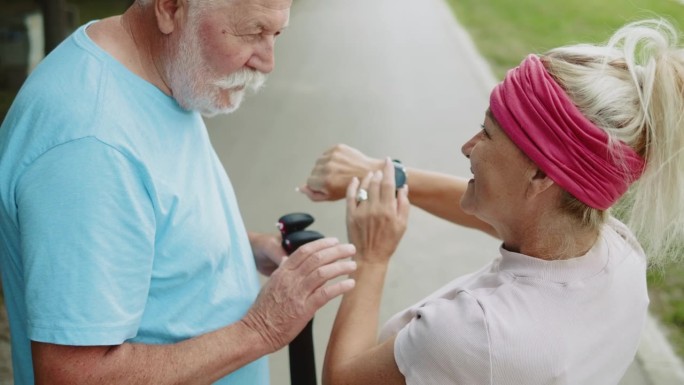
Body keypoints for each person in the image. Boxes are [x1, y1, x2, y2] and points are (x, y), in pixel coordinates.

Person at [302, 19, 684, 384]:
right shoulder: (620, 257)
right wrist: (386, 174)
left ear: (540, 175)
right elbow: (515, 215)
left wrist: (372, 256)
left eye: (487, 132)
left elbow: (343, 379)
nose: (467, 146)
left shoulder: (478, 333)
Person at [0, 0, 358, 384]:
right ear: (170, 8)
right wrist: (263, 328)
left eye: (276, 34)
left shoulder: (159, 71)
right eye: (252, 32)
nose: (268, 61)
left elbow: (146, 223)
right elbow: (75, 377)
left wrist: (243, 245)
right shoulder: (91, 146)